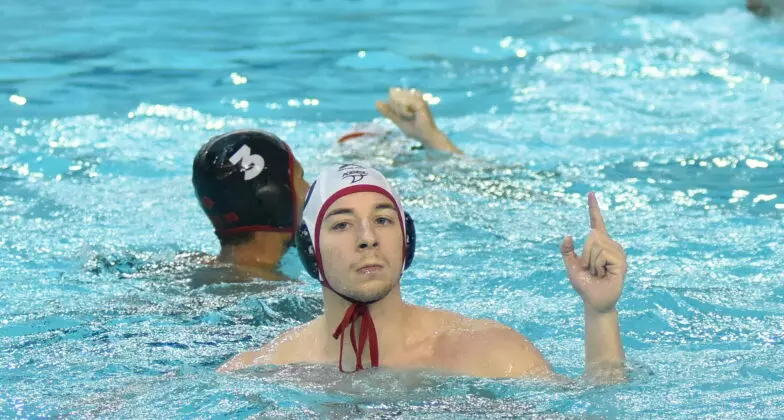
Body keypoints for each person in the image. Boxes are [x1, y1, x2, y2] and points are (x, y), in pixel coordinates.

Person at [218, 164, 628, 382]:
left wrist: (601, 313)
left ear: (406, 240)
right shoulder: (263, 371)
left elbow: (596, 406)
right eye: (341, 224)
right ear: (310, 251)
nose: (367, 238)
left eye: (383, 220)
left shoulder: (489, 353)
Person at [189, 89, 462, 281]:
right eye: (300, 178)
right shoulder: (290, 305)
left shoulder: (188, 267)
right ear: (276, 200)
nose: (309, 189)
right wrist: (434, 140)